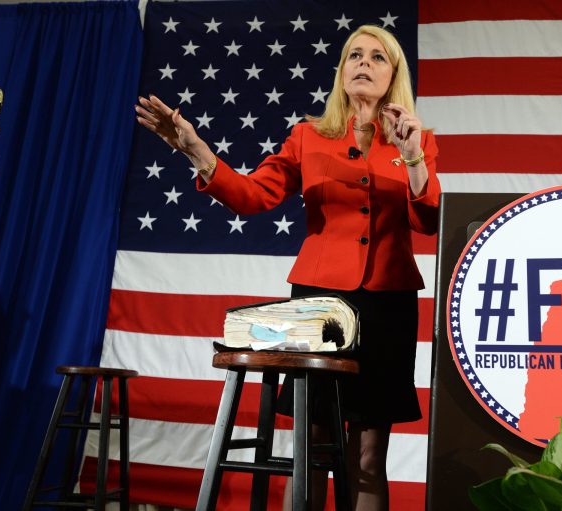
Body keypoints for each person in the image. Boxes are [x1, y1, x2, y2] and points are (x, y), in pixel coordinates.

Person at [135, 24, 441, 511]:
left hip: (388, 304)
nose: (364, 63)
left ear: (394, 75)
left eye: (377, 57)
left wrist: (413, 157)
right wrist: (197, 151)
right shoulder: (307, 137)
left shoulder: (415, 142)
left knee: (367, 456)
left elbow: (427, 220)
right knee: (314, 448)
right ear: (341, 73)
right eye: (354, 55)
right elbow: (254, 195)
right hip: (320, 304)